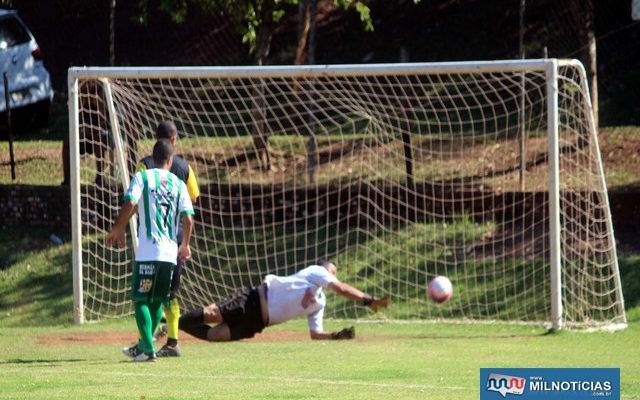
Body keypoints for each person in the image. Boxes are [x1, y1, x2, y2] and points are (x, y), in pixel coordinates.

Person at [106, 139, 195, 362]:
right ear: (171, 160)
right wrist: (185, 245)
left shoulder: (143, 177)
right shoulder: (178, 183)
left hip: (148, 251)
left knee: (140, 299)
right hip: (170, 254)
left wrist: (118, 228)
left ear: (152, 158)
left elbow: (130, 202)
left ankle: (147, 348)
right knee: (157, 301)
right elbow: (189, 218)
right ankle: (144, 346)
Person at [178, 260, 390, 342]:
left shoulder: (320, 302)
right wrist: (368, 300)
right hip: (253, 299)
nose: (333, 275)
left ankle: (171, 324)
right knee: (210, 314)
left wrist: (335, 336)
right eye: (332, 271)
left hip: (258, 322)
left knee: (215, 335)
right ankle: (168, 322)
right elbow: (342, 289)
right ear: (326, 269)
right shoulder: (316, 272)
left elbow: (315, 334)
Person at [135, 120, 200, 357]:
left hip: (150, 240)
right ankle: (170, 340)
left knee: (144, 294)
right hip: (175, 239)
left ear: (155, 138)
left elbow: (136, 194)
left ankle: (147, 341)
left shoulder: (144, 165)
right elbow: (193, 198)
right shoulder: (184, 168)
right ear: (174, 141)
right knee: (169, 292)